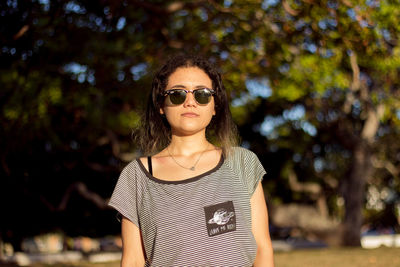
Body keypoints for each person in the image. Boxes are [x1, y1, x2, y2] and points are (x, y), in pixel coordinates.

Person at [109, 54, 274, 267]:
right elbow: (132, 261)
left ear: (215, 106)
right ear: (161, 105)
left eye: (202, 94)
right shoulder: (136, 176)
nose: (190, 102)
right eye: (177, 94)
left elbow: (262, 250)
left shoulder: (242, 163)